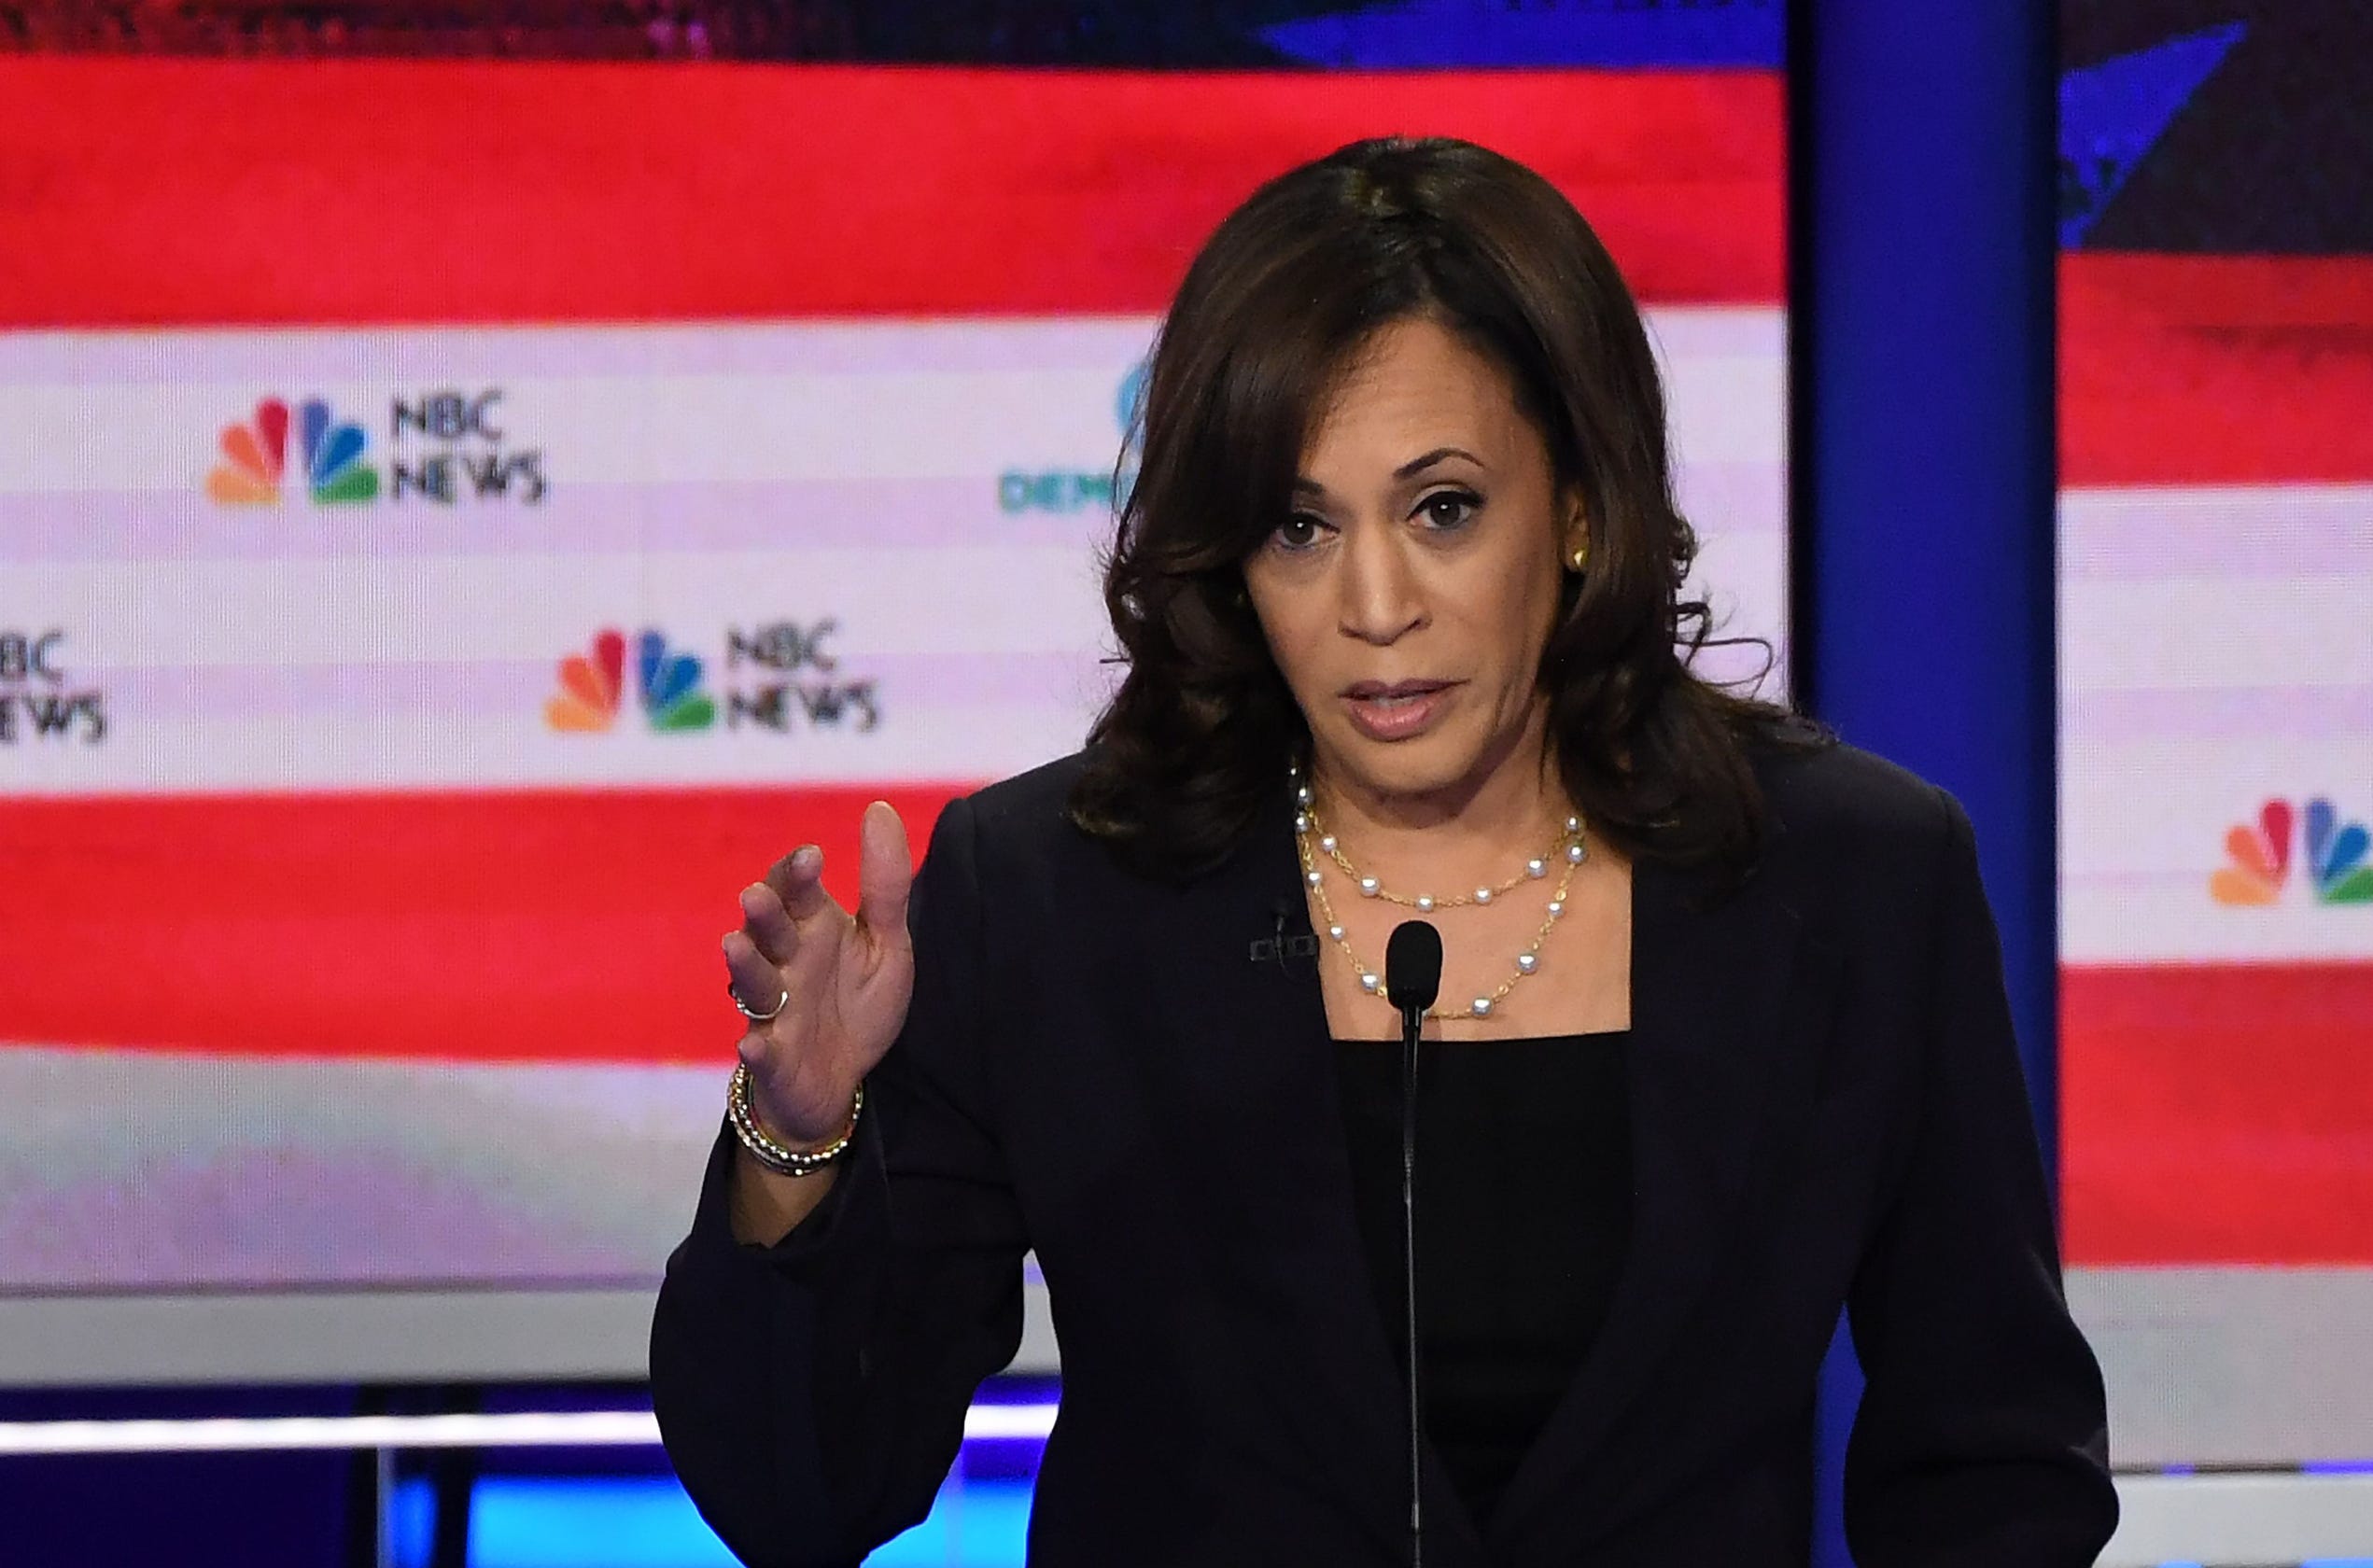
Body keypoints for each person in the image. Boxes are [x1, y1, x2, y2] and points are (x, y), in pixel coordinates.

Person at [650, 135, 2116, 1567]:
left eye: (1443, 510)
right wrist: (800, 1140)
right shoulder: (1054, 894)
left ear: (1581, 509)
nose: (1373, 604)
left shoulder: (1847, 879)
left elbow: (1992, 1471)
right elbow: (803, 1499)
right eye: (1298, 527)